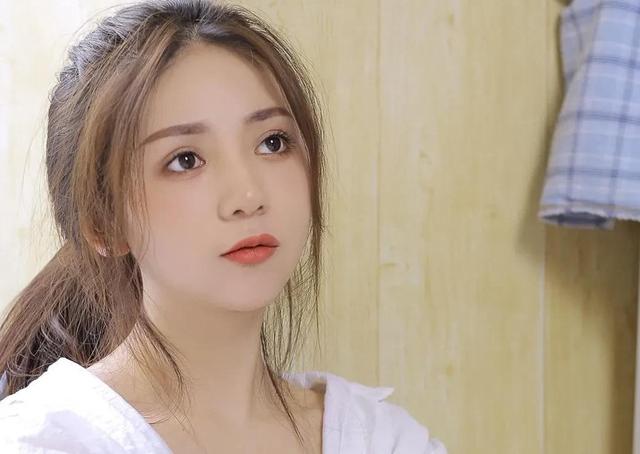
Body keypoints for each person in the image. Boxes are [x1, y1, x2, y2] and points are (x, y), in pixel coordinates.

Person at [0, 1, 447, 452]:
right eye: (185, 160)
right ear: (103, 223)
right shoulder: (42, 441)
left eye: (273, 143)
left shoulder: (385, 440)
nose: (248, 196)